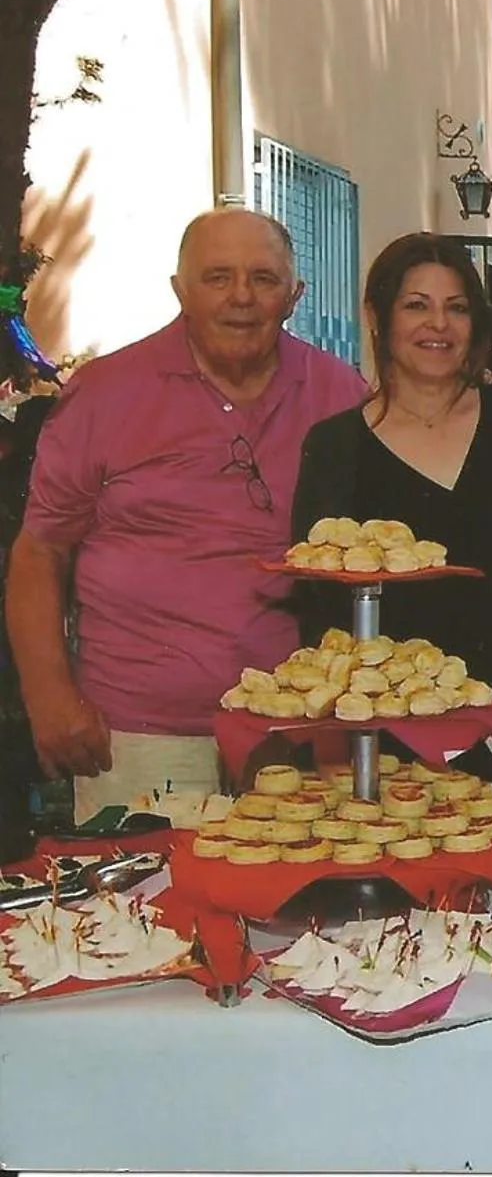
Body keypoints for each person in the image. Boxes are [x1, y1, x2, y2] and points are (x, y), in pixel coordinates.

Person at [5, 209, 364, 818]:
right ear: (180, 290)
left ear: (295, 295)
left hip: (296, 738)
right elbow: (40, 551)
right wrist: (50, 697)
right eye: (218, 278)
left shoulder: (340, 394)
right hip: (139, 737)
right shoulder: (107, 392)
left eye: (263, 279)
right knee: (142, 910)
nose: (242, 298)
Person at [292, 234, 492, 799]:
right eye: (416, 305)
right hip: (397, 746)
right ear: (378, 316)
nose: (438, 326)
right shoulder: (336, 446)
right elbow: (318, 612)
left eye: (457, 307)